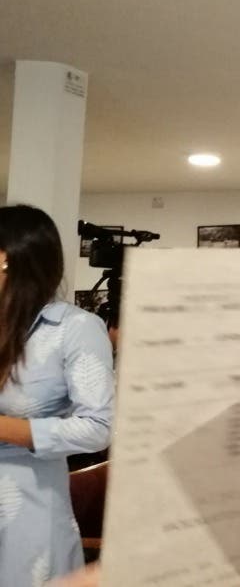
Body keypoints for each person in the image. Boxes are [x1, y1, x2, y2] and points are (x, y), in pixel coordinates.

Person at [0, 204, 115, 585]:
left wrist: (6, 428)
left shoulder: (74, 328)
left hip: (26, 512)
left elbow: (98, 428)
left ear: (9, 259)